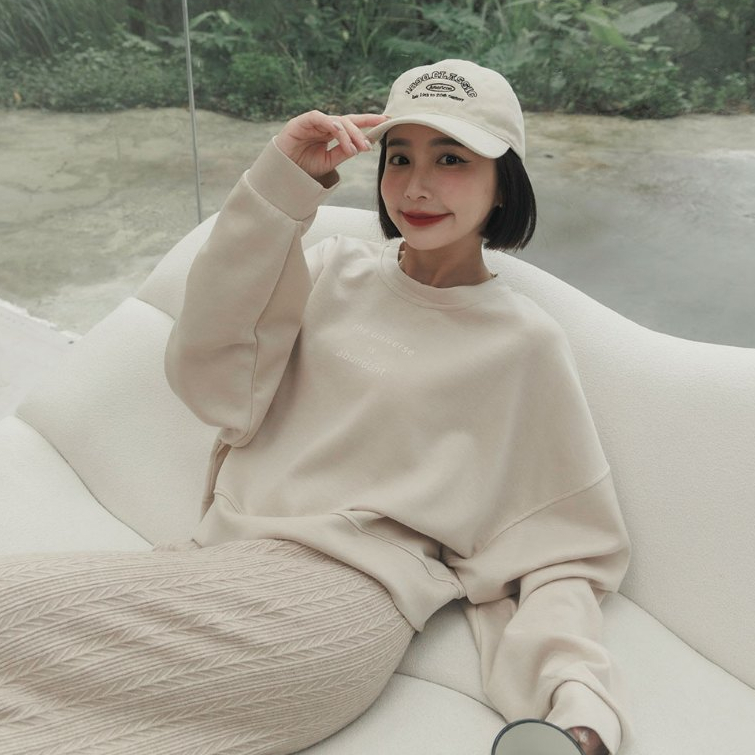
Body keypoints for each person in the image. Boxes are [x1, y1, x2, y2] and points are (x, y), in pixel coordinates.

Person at [0, 60, 629, 755]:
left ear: (503, 180)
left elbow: (562, 551)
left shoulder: (522, 342)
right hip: (223, 566)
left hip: (337, 609)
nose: (415, 186)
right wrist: (280, 182)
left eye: (451, 159)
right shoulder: (332, 268)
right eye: (399, 157)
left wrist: (576, 704)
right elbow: (215, 382)